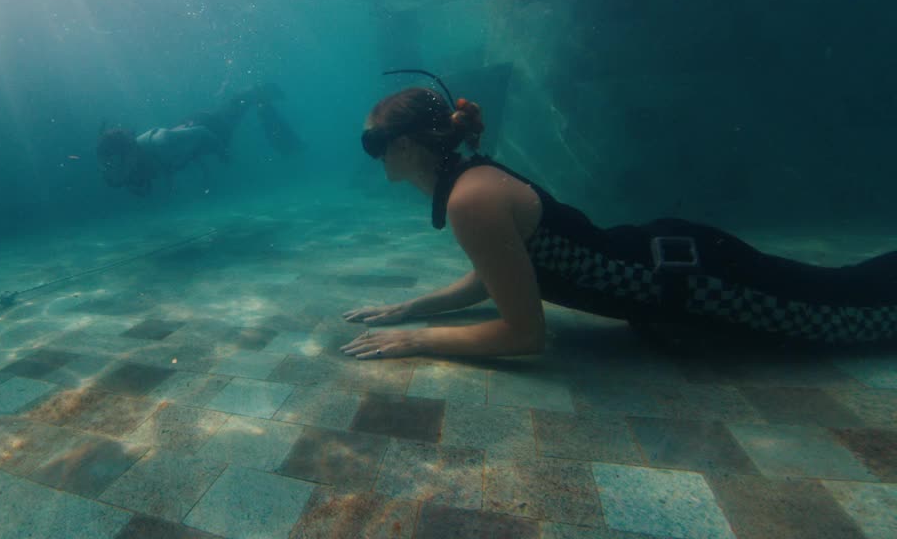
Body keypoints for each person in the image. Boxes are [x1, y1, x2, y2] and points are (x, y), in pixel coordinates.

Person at [341, 71, 897, 360]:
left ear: (409, 145)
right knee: (855, 293)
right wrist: (412, 308)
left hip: (698, 282)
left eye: (373, 143)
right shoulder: (470, 185)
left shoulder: (470, 199)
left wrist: (421, 340)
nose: (372, 155)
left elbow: (524, 334)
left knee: (863, 313)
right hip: (675, 261)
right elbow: (498, 271)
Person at [97, 83, 302, 196]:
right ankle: (244, 97)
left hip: (208, 127)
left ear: (128, 151)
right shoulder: (134, 161)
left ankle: (251, 93)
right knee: (230, 113)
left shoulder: (160, 141)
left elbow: (202, 132)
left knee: (232, 116)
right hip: (198, 136)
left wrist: (223, 152)